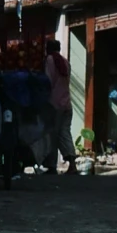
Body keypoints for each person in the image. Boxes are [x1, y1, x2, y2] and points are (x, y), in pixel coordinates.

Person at [43, 36, 79, 174]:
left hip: (54, 104)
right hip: (67, 104)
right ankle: (72, 163)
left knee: (52, 134)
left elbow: (47, 81)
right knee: (64, 133)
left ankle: (52, 165)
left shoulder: (50, 61)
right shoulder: (65, 62)